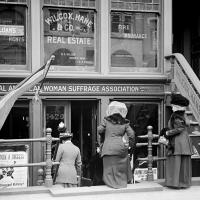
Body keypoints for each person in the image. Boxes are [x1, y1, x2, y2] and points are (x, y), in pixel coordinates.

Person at [97, 101, 135, 189]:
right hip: (120, 148)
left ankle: (111, 185)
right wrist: (129, 145)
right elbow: (132, 134)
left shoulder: (106, 120)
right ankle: (121, 184)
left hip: (108, 148)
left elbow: (99, 130)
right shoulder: (124, 122)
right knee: (120, 168)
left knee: (108, 169)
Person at [159, 93, 193, 189]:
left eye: (173, 105)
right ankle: (183, 183)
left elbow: (179, 128)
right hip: (184, 141)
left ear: (177, 106)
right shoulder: (183, 115)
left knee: (175, 162)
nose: (172, 107)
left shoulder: (176, 116)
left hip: (177, 141)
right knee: (183, 164)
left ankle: (175, 183)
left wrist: (167, 133)